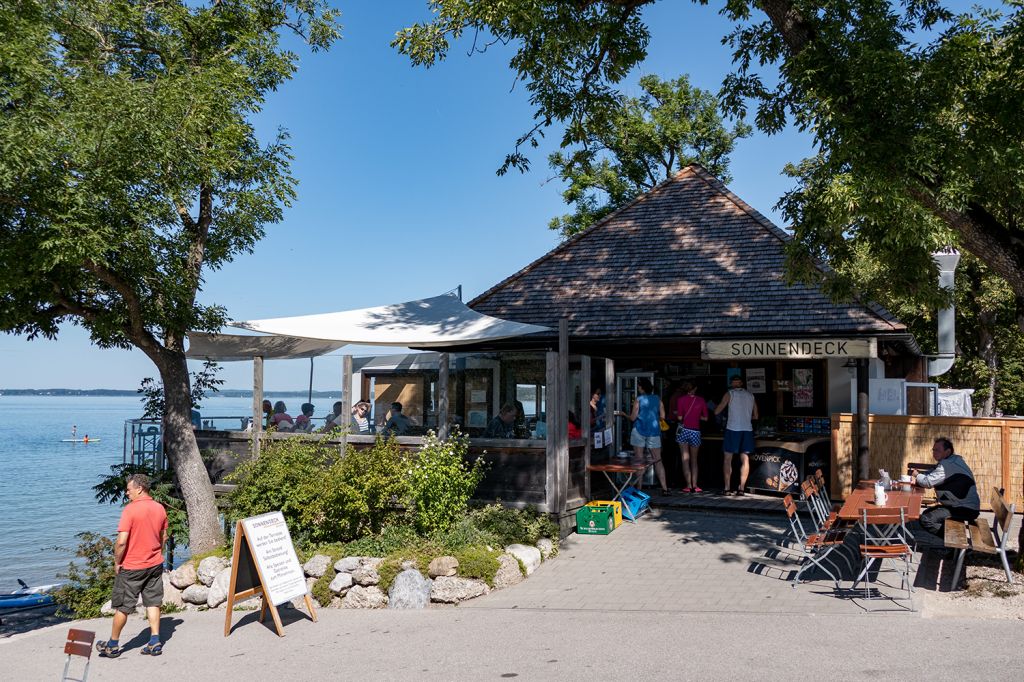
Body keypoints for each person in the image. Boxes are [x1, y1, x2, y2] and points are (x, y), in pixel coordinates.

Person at [95, 473, 168, 658]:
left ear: (139, 488)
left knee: (123, 606)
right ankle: (155, 641)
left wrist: (117, 561)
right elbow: (164, 537)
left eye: (128, 490)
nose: (127, 493)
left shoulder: (130, 510)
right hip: (154, 564)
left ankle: (112, 645)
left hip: (133, 566)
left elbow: (121, 542)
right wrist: (158, 553)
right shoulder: (160, 508)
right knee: (153, 602)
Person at [912, 437, 980, 543]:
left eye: (937, 450)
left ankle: (957, 541)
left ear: (947, 451)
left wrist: (916, 475)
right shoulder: (954, 460)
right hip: (964, 505)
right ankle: (953, 541)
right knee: (928, 512)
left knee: (926, 519)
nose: (934, 453)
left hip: (964, 509)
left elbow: (927, 482)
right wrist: (922, 475)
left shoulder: (946, 465)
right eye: (933, 450)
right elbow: (934, 472)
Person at [715, 374, 758, 496]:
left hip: (733, 428)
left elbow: (718, 410)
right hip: (747, 429)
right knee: (745, 459)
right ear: (742, 383)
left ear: (732, 383)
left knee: (728, 459)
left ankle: (727, 488)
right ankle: (741, 489)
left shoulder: (730, 394)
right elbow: (756, 416)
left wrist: (716, 411)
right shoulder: (751, 396)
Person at [627, 377, 669, 495]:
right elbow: (663, 416)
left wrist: (624, 414)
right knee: (658, 460)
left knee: (639, 460)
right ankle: (665, 488)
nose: (639, 388)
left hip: (639, 431)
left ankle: (639, 488)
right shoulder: (657, 399)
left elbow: (633, 418)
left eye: (639, 387)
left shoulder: (639, 399)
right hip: (654, 431)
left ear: (642, 388)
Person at [674, 381, 708, 493]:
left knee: (685, 459)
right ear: (695, 388)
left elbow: (679, 418)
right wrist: (696, 416)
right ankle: (695, 486)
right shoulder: (701, 400)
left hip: (683, 430)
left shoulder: (680, 400)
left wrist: (677, 414)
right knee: (694, 460)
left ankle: (688, 486)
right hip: (695, 431)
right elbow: (705, 418)